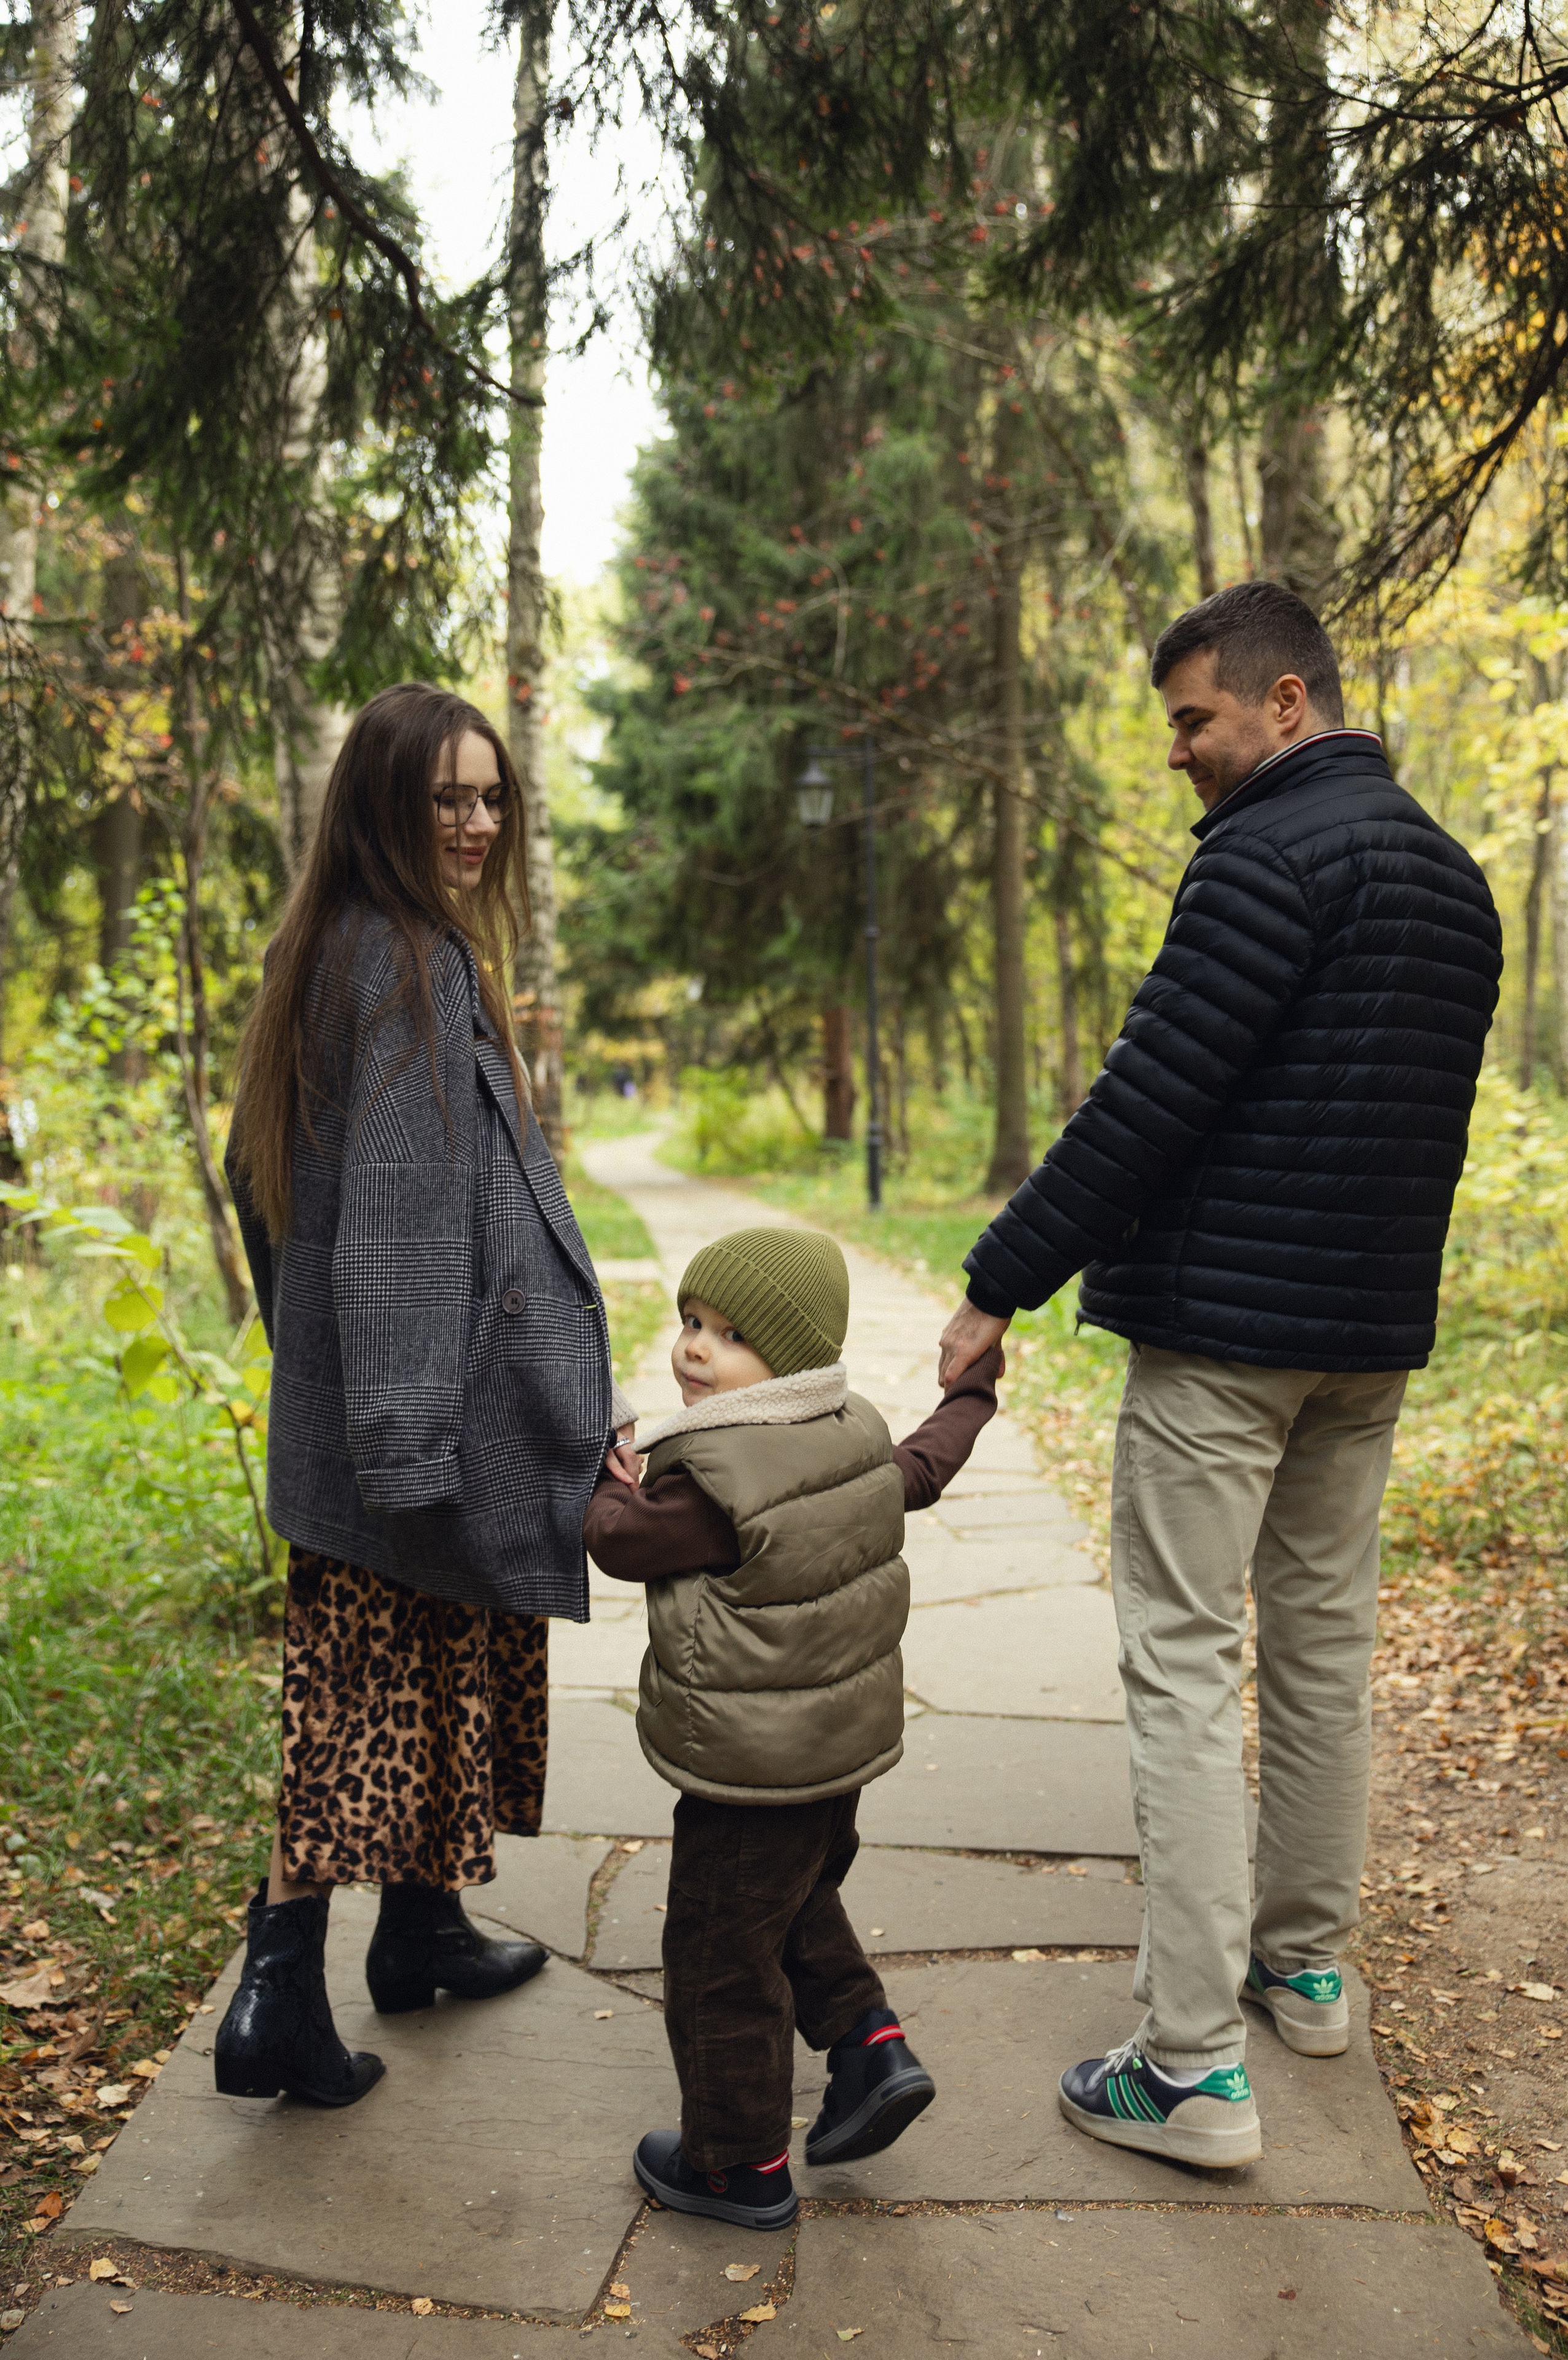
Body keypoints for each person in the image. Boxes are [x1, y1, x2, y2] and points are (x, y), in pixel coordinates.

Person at [938, 581, 1503, 2170]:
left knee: (1181, 1665)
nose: (1177, 750)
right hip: (1362, 1345)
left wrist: (997, 1284)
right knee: (1321, 1651)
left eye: (1193, 718)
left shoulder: (1265, 857)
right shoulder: (1455, 882)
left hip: (1224, 1351)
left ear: (1286, 703)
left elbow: (1147, 1103)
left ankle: (1190, 2068)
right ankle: (1303, 1971)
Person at [217, 682, 630, 2108]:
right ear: (384, 808)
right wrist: (393, 1435)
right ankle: (275, 2002)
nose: (476, 822)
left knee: (436, 1676)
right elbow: (395, 1220)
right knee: (359, 1710)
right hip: (410, 1429)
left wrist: (314, 1357)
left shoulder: (345, 944)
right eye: (445, 797)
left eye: (490, 794)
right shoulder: (400, 964)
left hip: (401, 1408)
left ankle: (423, 1930)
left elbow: (254, 1172)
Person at [584, 1225, 1000, 2229]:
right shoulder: (850, 1435)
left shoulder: (718, 1479)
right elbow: (924, 1466)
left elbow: (619, 1539)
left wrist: (598, 1465)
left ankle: (738, 2165)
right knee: (795, 1896)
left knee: (720, 1954)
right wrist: (975, 1394)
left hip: (750, 1771)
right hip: (835, 1759)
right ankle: (868, 2047)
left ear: (793, 1355)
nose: (696, 1348)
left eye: (732, 1335)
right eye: (692, 1321)